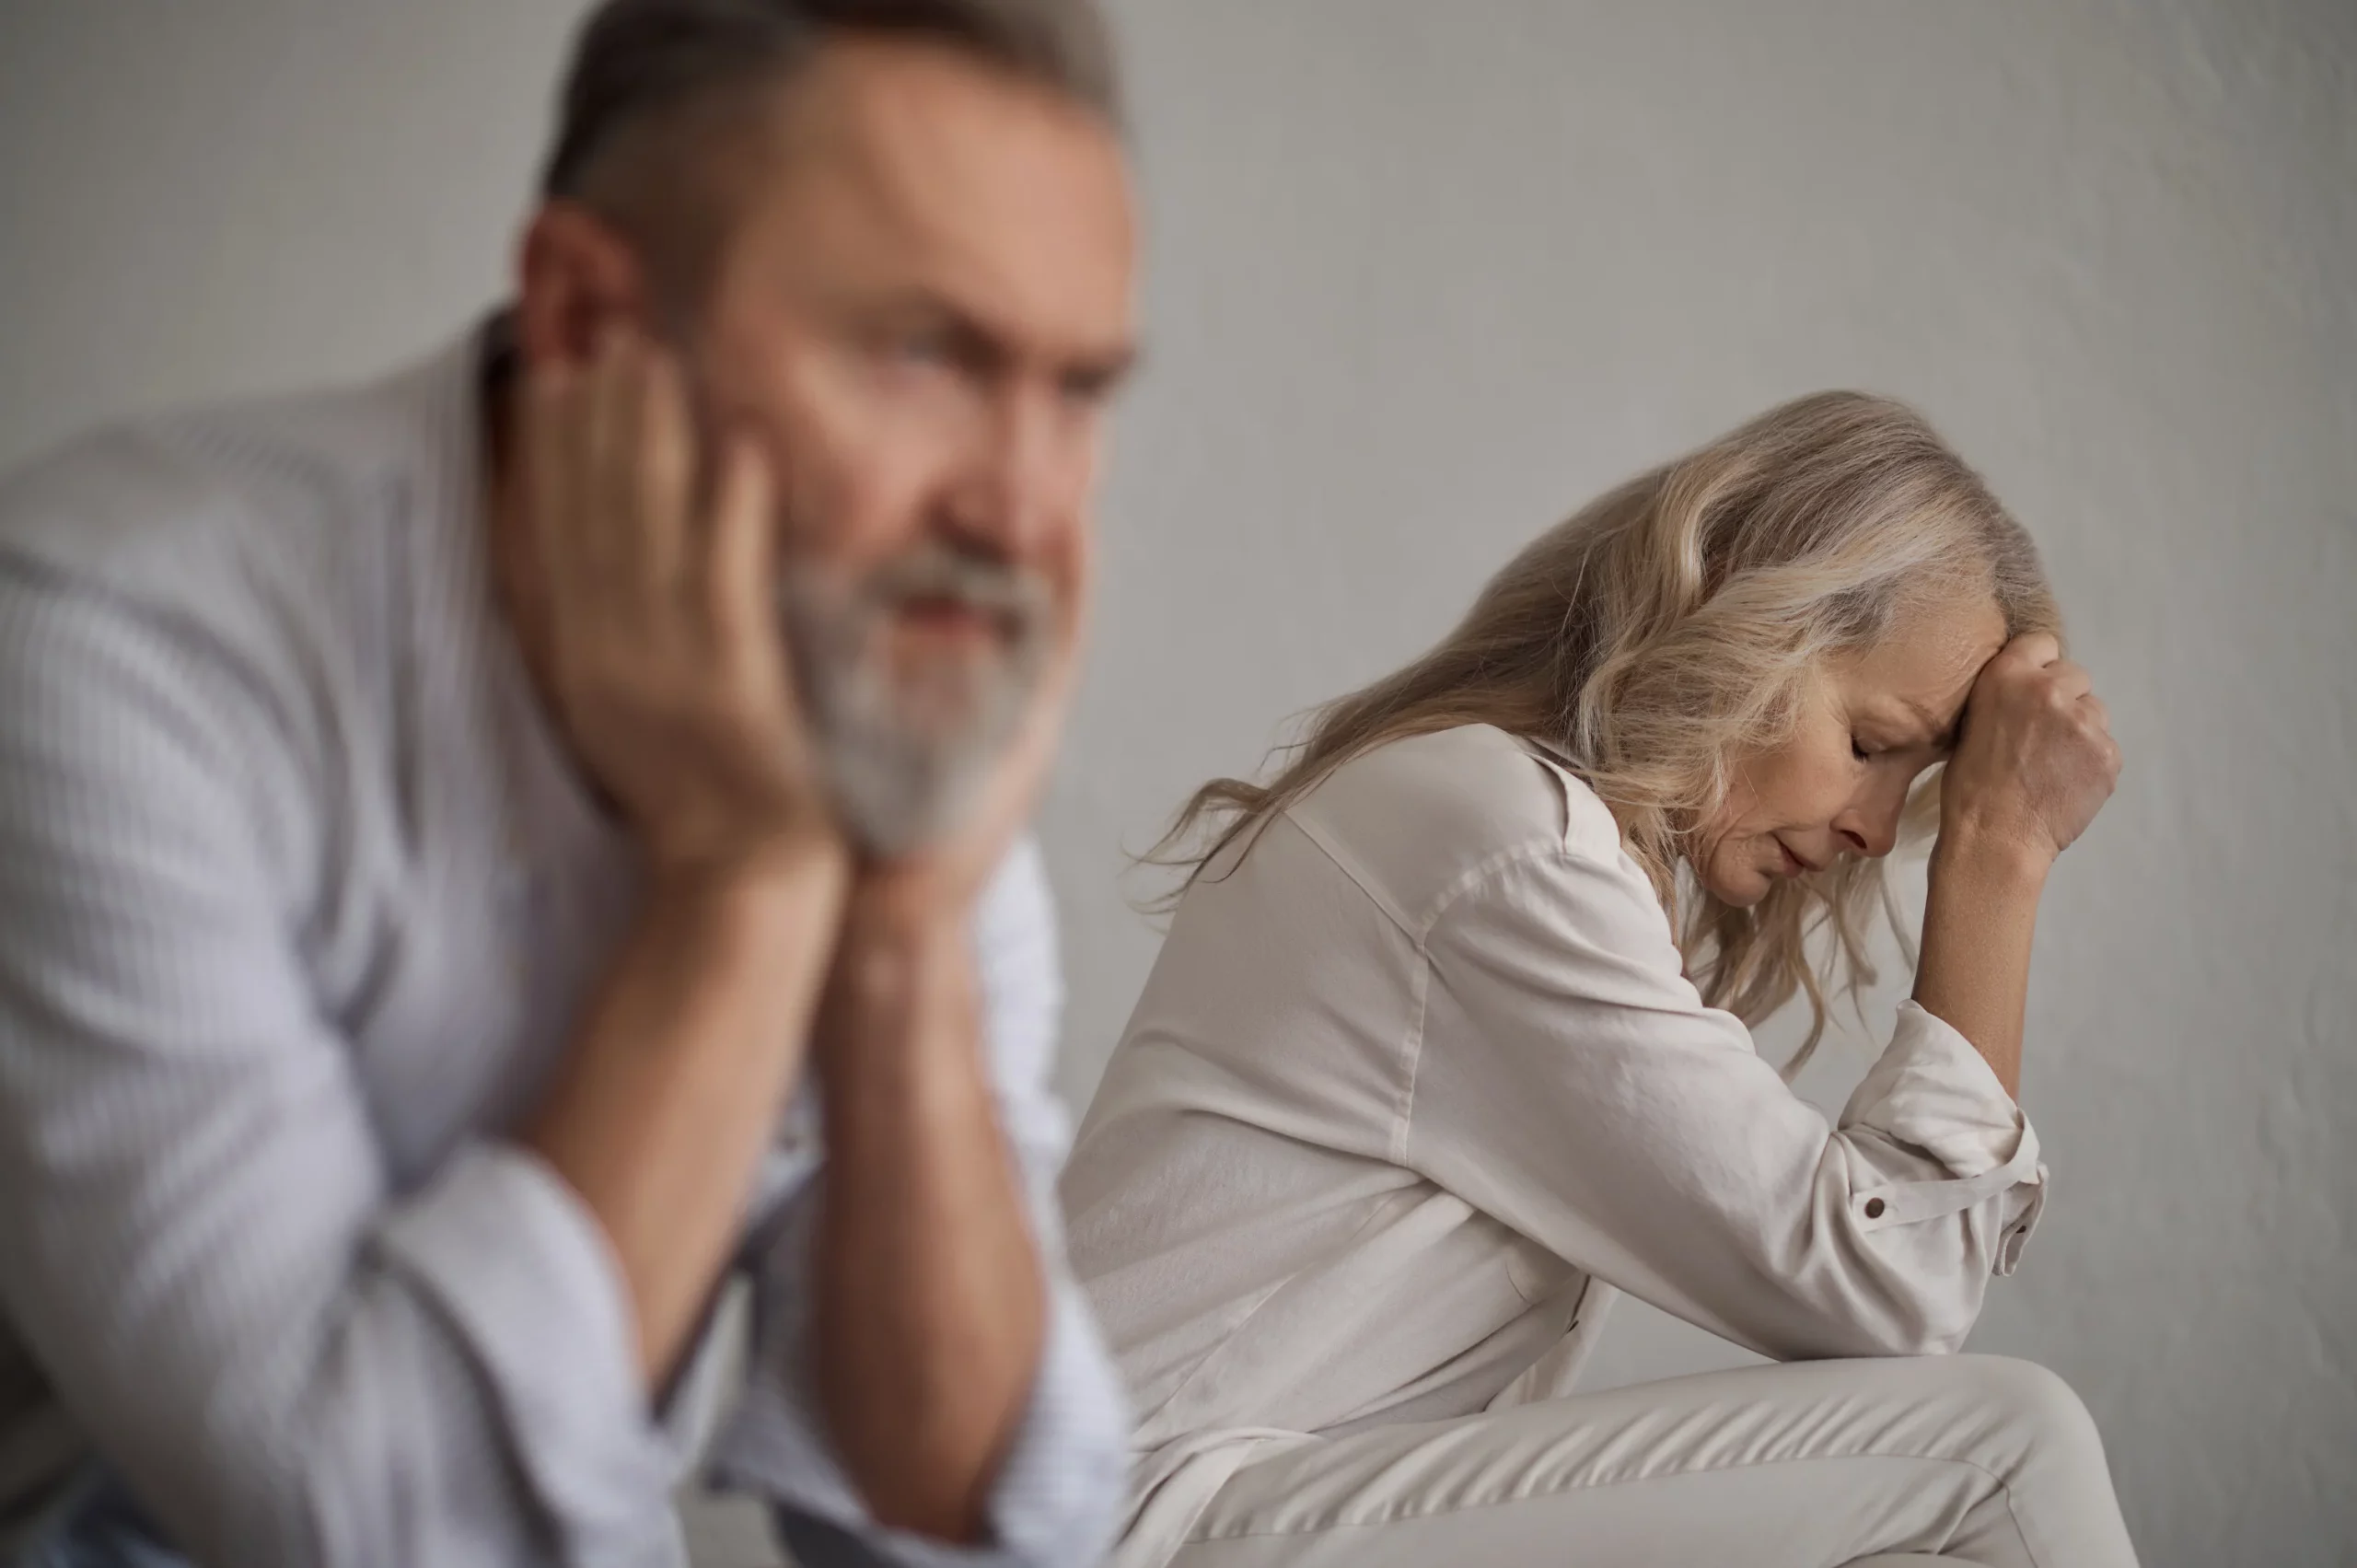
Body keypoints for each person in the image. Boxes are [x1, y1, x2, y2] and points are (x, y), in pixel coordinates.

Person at [0, 2, 1140, 1564]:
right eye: (926, 354)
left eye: (1078, 393)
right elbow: (361, 1530)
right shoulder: (112, 648)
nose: (1019, 513)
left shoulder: (879, 680)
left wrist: (895, 935)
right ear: (588, 315)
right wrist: (749, 875)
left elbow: (965, 1527)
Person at [1061, 392, 2141, 1568]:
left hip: (1189, 1505)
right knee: (2004, 1448)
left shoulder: (1486, 821)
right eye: (1868, 744)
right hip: (1128, 1519)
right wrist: (1999, 849)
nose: (1877, 830)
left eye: (1916, 781)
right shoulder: (1499, 843)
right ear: (1736, 616)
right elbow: (1888, 1286)